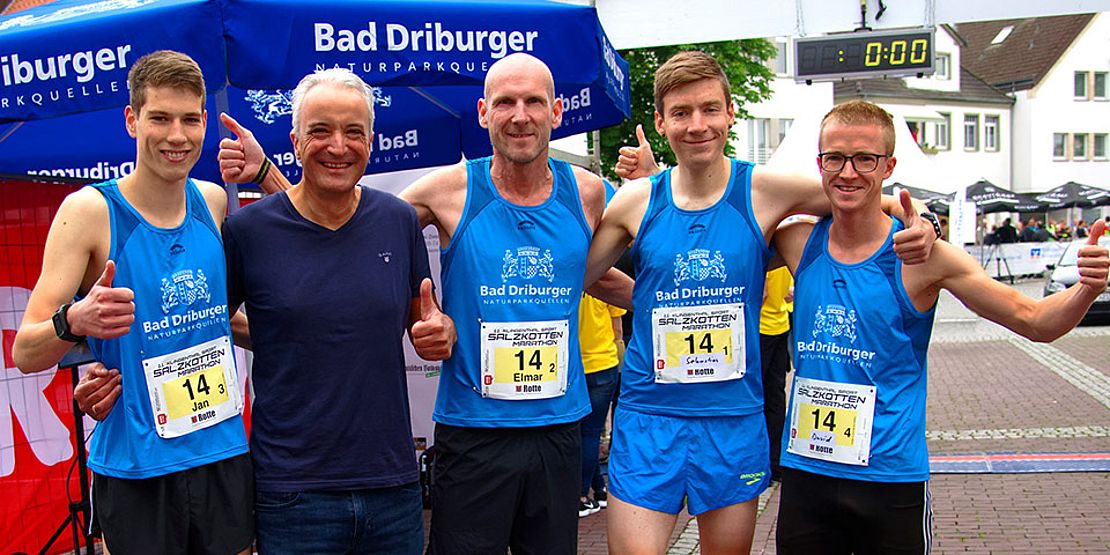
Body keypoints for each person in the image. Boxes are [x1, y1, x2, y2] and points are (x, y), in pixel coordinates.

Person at [215, 53, 628, 554]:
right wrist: (266, 175)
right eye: (505, 102)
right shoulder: (446, 190)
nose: (520, 115)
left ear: (556, 111)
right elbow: (336, 221)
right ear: (483, 112)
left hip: (560, 429)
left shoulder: (588, 194)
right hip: (472, 433)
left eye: (534, 101)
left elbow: (606, 275)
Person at [584, 51, 938, 554]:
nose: (697, 125)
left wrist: (923, 216)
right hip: (649, 418)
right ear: (661, 121)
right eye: (681, 113)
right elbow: (574, 280)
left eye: (710, 109)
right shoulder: (636, 201)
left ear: (731, 113)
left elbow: (860, 193)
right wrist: (643, 299)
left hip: (733, 419)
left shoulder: (764, 190)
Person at [769, 100, 1109, 554]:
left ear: (889, 165)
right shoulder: (797, 242)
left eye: (865, 159)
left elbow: (1035, 322)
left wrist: (1087, 287)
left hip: (890, 478)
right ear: (820, 164)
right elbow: (719, 226)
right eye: (835, 158)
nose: (848, 172)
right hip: (808, 473)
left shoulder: (923, 258)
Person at [12, 51, 254, 555]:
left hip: (222, 455)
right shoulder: (89, 211)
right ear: (131, 120)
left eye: (190, 120)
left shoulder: (212, 202)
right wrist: (75, 319)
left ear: (205, 123)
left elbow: (217, 320)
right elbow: (26, 351)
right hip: (137, 468)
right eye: (160, 118)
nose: (176, 136)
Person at [224, 68, 455, 553]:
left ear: (371, 140)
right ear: (294, 140)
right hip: (293, 493)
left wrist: (441, 331)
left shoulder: (397, 221)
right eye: (320, 131)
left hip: (391, 485)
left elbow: (423, 319)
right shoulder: (248, 231)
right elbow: (207, 326)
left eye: (353, 132)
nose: (338, 146)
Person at [577, 290, 625, 517]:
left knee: (584, 433)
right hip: (604, 362)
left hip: (576, 365)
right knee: (592, 433)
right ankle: (581, 493)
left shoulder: (572, 278)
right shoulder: (605, 281)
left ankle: (599, 488)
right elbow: (617, 330)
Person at [760, 266, 793, 482]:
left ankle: (760, 464)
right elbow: (790, 293)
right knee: (776, 397)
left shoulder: (767, 256)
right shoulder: (784, 249)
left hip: (760, 327)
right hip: (781, 323)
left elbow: (761, 294)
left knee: (756, 399)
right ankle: (775, 463)